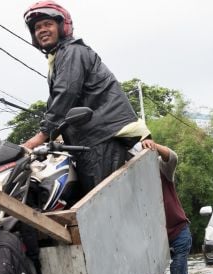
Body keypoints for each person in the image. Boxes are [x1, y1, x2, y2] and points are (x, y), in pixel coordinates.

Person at [21, 1, 151, 195]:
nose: (42, 30)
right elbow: (57, 105)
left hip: (102, 136)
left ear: (62, 26)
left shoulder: (72, 52)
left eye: (47, 24)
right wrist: (51, 138)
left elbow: (66, 96)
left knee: (101, 205)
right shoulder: (60, 58)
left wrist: (35, 141)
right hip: (91, 139)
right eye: (37, 27)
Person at [141, 140, 191, 274]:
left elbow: (173, 157)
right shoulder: (130, 176)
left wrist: (153, 145)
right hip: (153, 238)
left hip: (178, 231)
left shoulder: (161, 168)